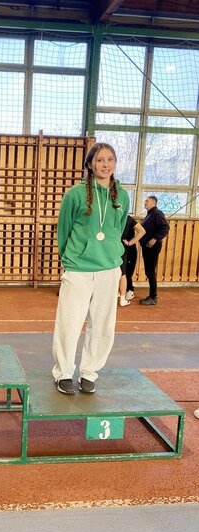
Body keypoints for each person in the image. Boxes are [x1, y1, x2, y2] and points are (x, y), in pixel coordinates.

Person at [52, 143, 129, 395]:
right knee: (69, 322)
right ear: (90, 164)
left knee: (103, 324)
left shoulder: (122, 196)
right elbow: (64, 229)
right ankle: (64, 372)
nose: (105, 164)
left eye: (110, 159)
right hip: (79, 268)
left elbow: (119, 228)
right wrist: (69, 260)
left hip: (109, 268)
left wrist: (114, 255)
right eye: (100, 160)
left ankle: (89, 372)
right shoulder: (74, 194)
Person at [139, 196, 169, 305]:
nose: (145, 202)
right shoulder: (150, 214)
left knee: (150, 271)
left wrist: (155, 239)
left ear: (153, 202)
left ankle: (153, 297)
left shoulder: (157, 213)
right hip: (147, 247)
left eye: (147, 201)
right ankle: (152, 295)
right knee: (149, 271)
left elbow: (165, 227)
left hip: (153, 247)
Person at [118, 215, 145, 307]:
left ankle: (127, 291)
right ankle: (122, 296)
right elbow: (142, 231)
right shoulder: (125, 218)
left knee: (124, 273)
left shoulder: (127, 218)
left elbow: (142, 231)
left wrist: (130, 243)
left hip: (124, 249)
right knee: (123, 274)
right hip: (120, 248)